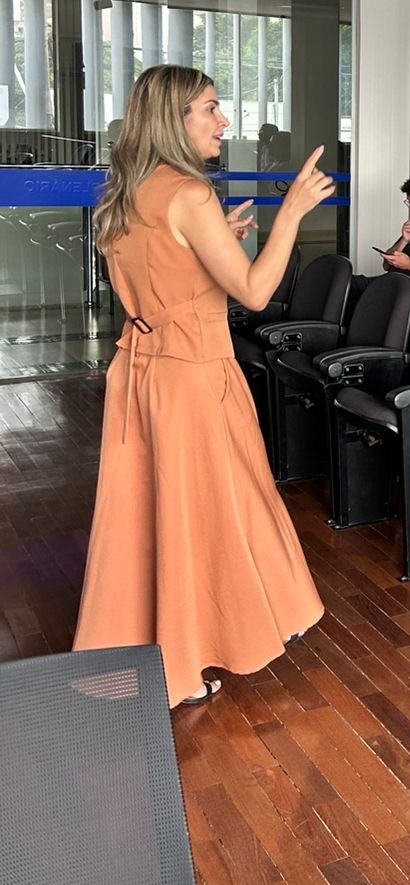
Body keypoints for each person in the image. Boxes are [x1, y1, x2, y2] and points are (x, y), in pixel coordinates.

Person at [73, 65, 332, 708]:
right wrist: (291, 212)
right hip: (193, 376)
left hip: (143, 373)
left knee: (155, 515)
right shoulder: (189, 195)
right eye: (212, 108)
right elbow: (254, 291)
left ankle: (177, 644)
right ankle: (188, 658)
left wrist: (224, 239)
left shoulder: (127, 193)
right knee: (211, 509)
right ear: (175, 119)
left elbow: (164, 274)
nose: (224, 121)